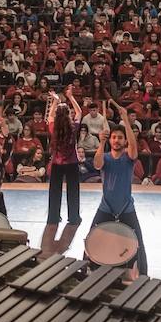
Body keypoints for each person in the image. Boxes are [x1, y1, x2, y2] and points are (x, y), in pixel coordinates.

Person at [92, 103, 148, 275]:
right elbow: (96, 164)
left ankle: (143, 275)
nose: (117, 140)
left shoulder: (129, 158)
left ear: (124, 141)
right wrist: (101, 143)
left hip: (126, 208)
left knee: (138, 242)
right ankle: (89, 270)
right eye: (114, 137)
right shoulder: (106, 157)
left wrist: (125, 120)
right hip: (106, 207)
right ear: (111, 140)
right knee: (92, 238)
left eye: (120, 138)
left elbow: (134, 148)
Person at [47, 86, 83, 225]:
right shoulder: (73, 127)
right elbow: (79, 112)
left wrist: (55, 101)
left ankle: (53, 218)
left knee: (54, 192)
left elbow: (50, 116)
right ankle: (74, 217)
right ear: (69, 114)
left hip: (57, 164)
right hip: (72, 163)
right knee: (73, 192)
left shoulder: (53, 128)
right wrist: (70, 97)